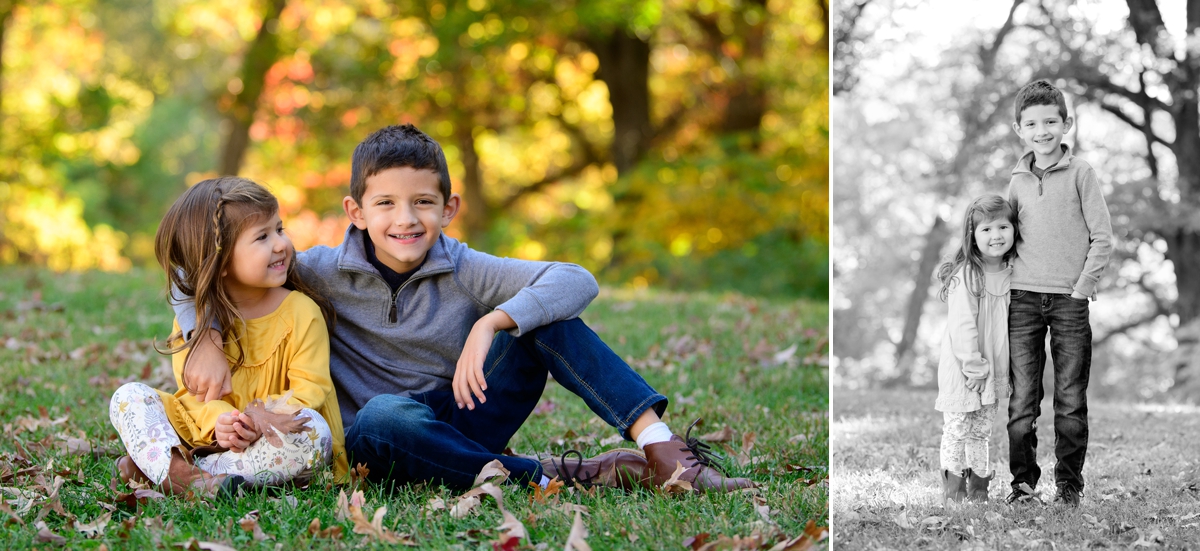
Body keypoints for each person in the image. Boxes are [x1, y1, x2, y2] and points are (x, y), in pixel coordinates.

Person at [174, 124, 752, 493]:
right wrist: (201, 334)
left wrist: (493, 320)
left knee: (551, 321)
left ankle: (665, 453)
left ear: (448, 207)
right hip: (386, 437)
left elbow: (576, 279)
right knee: (381, 414)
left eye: (423, 202)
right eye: (386, 204)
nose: (406, 219)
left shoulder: (466, 265)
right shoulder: (317, 268)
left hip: (465, 410)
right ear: (356, 211)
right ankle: (564, 473)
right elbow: (199, 268)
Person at [109, 177, 347, 499]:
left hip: (274, 439)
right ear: (219, 262)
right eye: (261, 236)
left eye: (279, 229)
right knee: (128, 397)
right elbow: (193, 394)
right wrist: (222, 422)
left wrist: (256, 422)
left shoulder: (300, 312)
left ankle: (176, 474)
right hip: (206, 436)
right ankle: (192, 477)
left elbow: (312, 388)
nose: (280, 244)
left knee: (313, 433)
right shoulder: (194, 324)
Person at [1005, 79, 1113, 507]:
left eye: (1051, 121)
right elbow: (1003, 237)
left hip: (1070, 300)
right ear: (1019, 129)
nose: (1042, 130)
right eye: (1032, 123)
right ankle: (1024, 487)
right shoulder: (1016, 180)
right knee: (1022, 403)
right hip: (1022, 300)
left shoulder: (1082, 173)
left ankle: (1069, 487)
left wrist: (1083, 288)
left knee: (1069, 401)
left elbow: (1102, 238)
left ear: (1066, 124)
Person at [934, 194, 1018, 505]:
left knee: (982, 431)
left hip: (994, 368)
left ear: (1014, 230)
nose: (996, 236)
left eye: (1003, 227)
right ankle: (954, 493)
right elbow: (962, 326)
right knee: (957, 428)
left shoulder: (1014, 273)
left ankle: (979, 490)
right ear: (972, 235)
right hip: (965, 369)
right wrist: (974, 367)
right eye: (986, 230)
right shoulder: (968, 274)